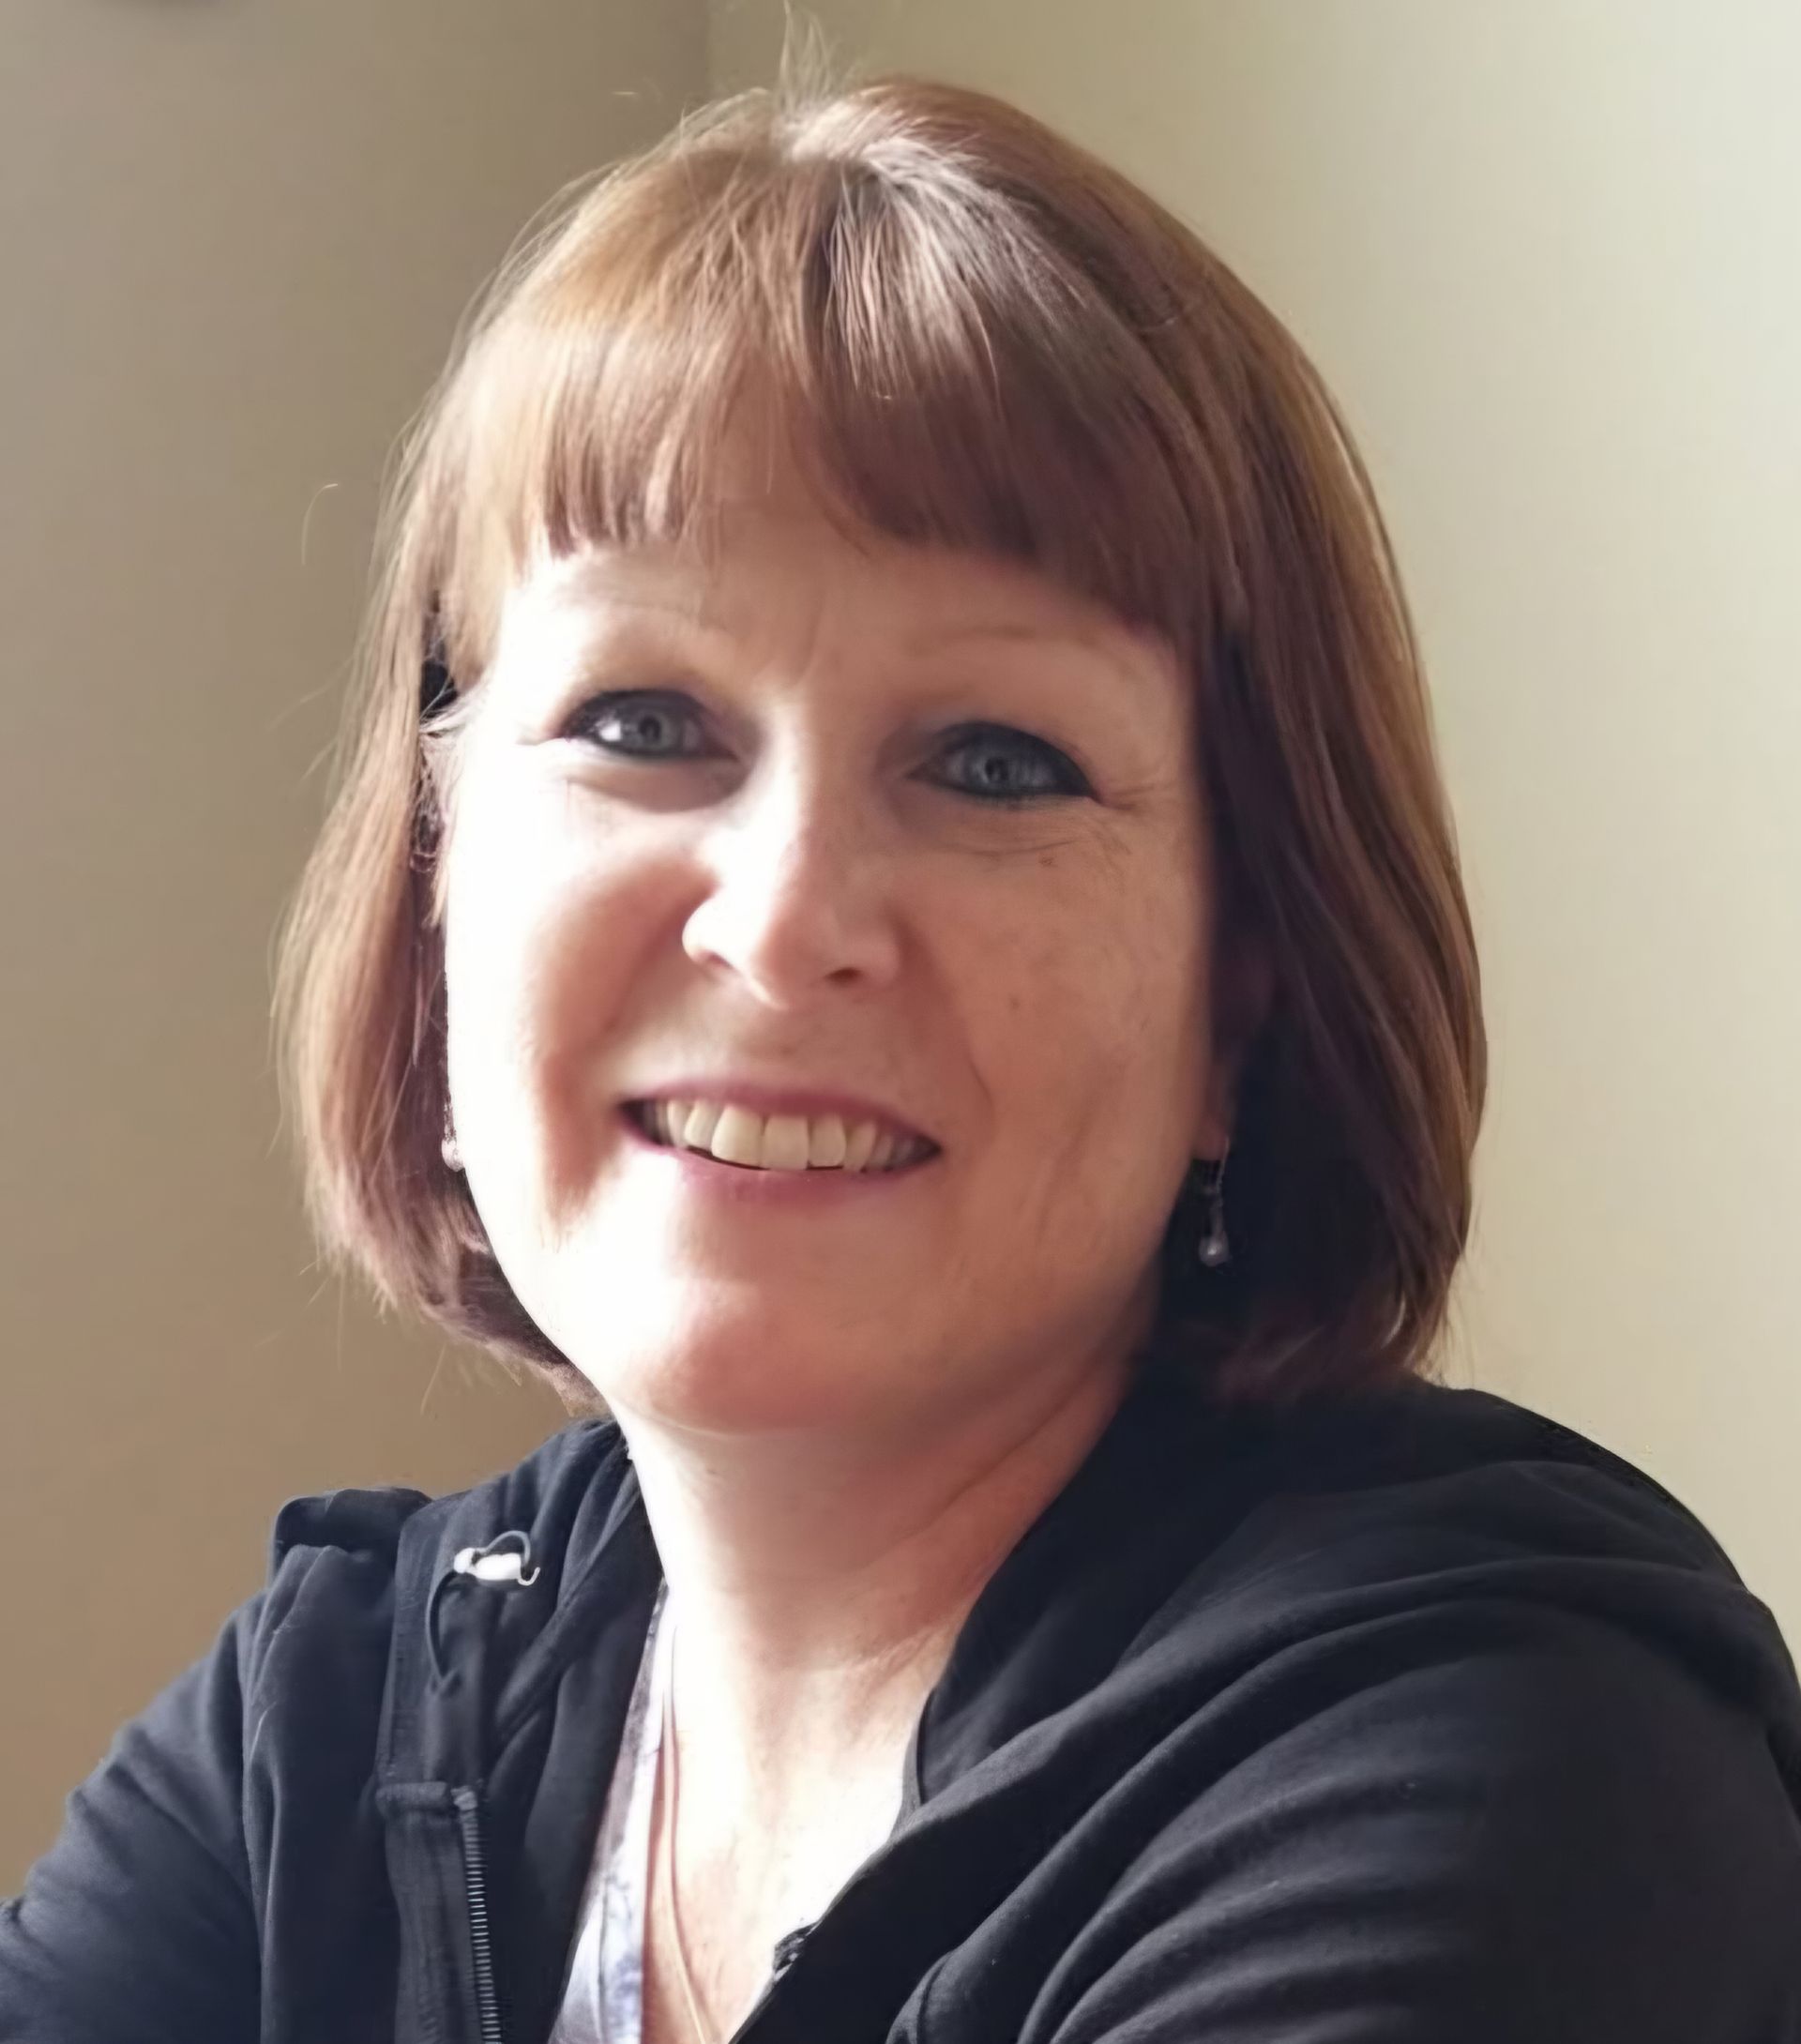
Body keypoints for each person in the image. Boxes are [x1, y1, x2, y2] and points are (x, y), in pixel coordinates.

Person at [4, 58, 1799, 2044]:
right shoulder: (329, 1726)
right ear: (439, 875)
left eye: (996, 763)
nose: (782, 921)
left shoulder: (1497, 1771)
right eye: (641, 723)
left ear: (1246, 997)